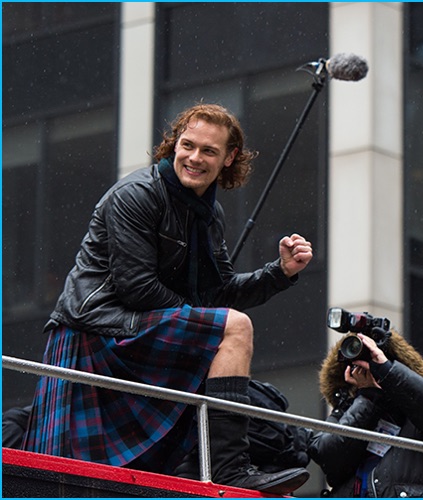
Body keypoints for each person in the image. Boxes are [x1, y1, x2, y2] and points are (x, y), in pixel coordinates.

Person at [21, 103, 313, 494]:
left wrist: (280, 273)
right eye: (187, 145)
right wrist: (204, 329)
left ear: (229, 159)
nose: (194, 157)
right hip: (94, 331)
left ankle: (215, 469)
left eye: (209, 151)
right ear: (173, 145)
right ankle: (228, 469)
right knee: (232, 328)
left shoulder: (210, 213)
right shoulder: (136, 194)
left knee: (227, 326)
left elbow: (220, 292)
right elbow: (136, 289)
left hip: (134, 327)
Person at [308, 328, 423, 497]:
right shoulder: (347, 410)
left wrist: (386, 370)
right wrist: (368, 397)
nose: (367, 371)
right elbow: (328, 457)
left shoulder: (421, 415)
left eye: (372, 367)